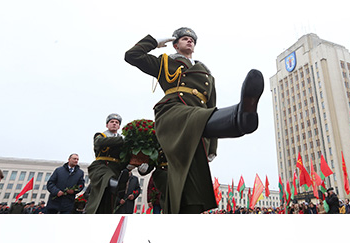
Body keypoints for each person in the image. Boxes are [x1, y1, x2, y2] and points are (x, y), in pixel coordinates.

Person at [124, 29, 263, 214]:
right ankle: (239, 118)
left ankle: (243, 117)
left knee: (192, 181)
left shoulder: (206, 72)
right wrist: (154, 42)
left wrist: (212, 147)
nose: (189, 41)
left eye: (192, 40)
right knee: (197, 117)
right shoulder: (165, 62)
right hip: (173, 112)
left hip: (198, 121)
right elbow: (131, 56)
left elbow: (211, 106)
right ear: (175, 44)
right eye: (184, 39)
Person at [85, 114, 125, 214]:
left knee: (109, 198)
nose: (114, 124)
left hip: (116, 168)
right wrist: (123, 140)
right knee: (108, 180)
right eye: (112, 122)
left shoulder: (122, 139)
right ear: (107, 125)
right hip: (101, 166)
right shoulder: (100, 136)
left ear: (119, 127)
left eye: (117, 122)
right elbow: (99, 143)